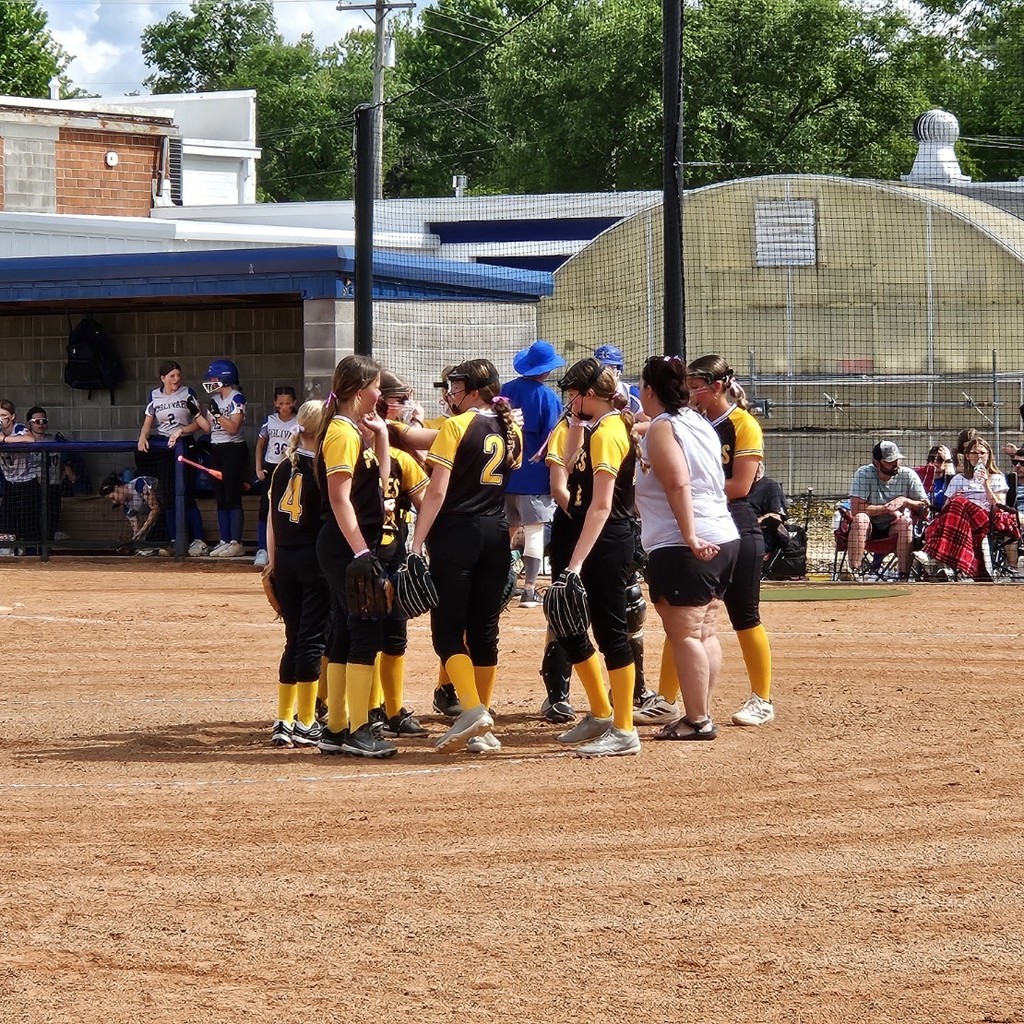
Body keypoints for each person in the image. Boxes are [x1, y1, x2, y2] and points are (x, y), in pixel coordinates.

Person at [409, 358, 523, 754]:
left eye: (457, 387)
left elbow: (437, 492)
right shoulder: (511, 429)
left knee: (447, 631)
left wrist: (416, 541)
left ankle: (473, 709)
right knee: (484, 630)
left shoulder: (456, 426)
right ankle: (483, 723)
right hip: (496, 531)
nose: (450, 393)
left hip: (457, 532)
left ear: (476, 391)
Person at [634, 356, 740, 739]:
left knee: (686, 635)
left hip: (683, 542)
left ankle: (697, 719)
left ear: (650, 389)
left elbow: (678, 483)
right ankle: (701, 712)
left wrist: (690, 536)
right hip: (724, 534)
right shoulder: (698, 420)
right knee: (705, 631)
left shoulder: (663, 427)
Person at [543, 356, 643, 757]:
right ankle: (601, 713)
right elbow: (566, 473)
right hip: (582, 532)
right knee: (566, 621)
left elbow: (602, 506)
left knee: (610, 631)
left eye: (573, 392)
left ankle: (624, 728)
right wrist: (575, 431)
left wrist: (574, 565)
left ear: (589, 395)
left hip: (604, 540)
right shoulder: (590, 428)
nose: (568, 398)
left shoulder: (610, 432)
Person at [674, 354, 779, 727]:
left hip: (738, 524)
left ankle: (762, 699)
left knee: (744, 614)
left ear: (716, 387)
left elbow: (740, 486)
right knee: (686, 618)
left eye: (694, 386)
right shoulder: (691, 422)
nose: (688, 392)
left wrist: (688, 486)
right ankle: (670, 700)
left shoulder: (742, 424)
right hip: (700, 522)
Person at [314, 354, 394, 759]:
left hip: (351, 543)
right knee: (365, 631)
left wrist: (380, 436)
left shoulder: (353, 430)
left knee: (348, 631)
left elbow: (382, 488)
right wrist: (361, 549)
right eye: (376, 386)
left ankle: (336, 727)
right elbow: (339, 499)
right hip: (346, 544)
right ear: (359, 390)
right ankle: (360, 728)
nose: (379, 393)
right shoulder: (342, 433)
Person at [266, 400, 330, 748]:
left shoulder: (281, 467)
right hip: (313, 560)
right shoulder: (322, 467)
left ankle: (284, 719)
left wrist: (272, 564)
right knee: (312, 640)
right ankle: (306, 721)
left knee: (293, 639)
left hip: (285, 561)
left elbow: (270, 523)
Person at [499, 340, 566, 608]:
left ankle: (502, 582)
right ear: (547, 370)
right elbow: (553, 437)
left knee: (508, 529)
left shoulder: (506, 389)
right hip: (535, 477)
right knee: (535, 531)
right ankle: (528, 590)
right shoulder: (548, 397)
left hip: (506, 474)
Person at [915, 436, 1019, 581]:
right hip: (959, 519)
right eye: (975, 453)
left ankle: (933, 555)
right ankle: (945, 567)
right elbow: (946, 510)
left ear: (989, 455)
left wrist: (986, 485)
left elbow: (998, 508)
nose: (979, 456)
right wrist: (951, 499)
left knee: (959, 502)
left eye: (982, 453)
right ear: (968, 456)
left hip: (986, 517)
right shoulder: (958, 479)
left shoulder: (997, 478)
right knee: (956, 503)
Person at [137, 360, 210, 555]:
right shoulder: (154, 396)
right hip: (164, 447)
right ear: (163, 378)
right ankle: (174, 540)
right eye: (172, 376)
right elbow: (148, 422)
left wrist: (181, 431)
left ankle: (199, 539)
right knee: (168, 495)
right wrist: (143, 436)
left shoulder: (188, 393)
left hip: (184, 445)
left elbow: (199, 423)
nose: (176, 379)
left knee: (186, 494)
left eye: (178, 375)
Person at [847, 440, 929, 580]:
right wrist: (886, 509)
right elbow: (856, 509)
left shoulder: (908, 475)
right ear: (877, 463)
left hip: (894, 529)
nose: (895, 464)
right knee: (861, 518)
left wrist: (905, 501)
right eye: (890, 461)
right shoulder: (863, 474)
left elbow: (926, 507)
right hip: (869, 529)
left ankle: (903, 575)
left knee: (905, 522)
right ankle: (853, 572)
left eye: (897, 460)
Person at [202, 359, 248, 558]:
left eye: (215, 378)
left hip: (233, 449)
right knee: (219, 497)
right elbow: (208, 428)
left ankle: (236, 541)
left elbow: (233, 428)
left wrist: (218, 415)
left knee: (232, 496)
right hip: (217, 448)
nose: (212, 381)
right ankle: (224, 539)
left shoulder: (237, 398)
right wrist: (197, 413)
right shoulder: (214, 400)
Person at [255, 385, 300, 568]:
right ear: (275, 403)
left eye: (288, 403)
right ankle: (262, 549)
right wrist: (258, 468)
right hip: (271, 467)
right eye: (280, 403)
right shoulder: (270, 421)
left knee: (288, 508)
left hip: (290, 467)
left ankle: (284, 548)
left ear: (294, 403)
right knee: (265, 508)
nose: (284, 407)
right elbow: (260, 444)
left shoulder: (298, 421)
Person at [99, 473, 163, 548]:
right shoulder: (126, 506)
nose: (114, 502)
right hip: (158, 519)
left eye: (113, 497)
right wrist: (134, 540)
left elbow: (155, 509)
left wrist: (142, 530)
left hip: (169, 507)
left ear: (116, 488)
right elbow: (136, 529)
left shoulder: (139, 484)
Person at [914, 444, 955, 511]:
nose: (935, 463)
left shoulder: (950, 481)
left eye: (940, 459)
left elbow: (953, 486)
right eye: (932, 459)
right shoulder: (920, 478)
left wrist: (948, 460)